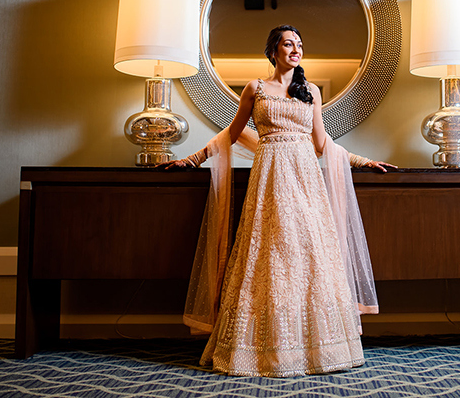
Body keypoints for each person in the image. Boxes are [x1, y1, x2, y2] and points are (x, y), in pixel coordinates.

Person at [160, 25, 396, 377]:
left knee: (310, 252)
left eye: (300, 44)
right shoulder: (256, 88)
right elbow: (232, 132)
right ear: (273, 51)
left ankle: (320, 347)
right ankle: (260, 349)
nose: (296, 49)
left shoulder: (310, 92)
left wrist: (362, 161)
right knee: (269, 253)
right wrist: (193, 159)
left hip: (305, 179)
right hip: (270, 177)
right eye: (288, 44)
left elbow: (321, 143)